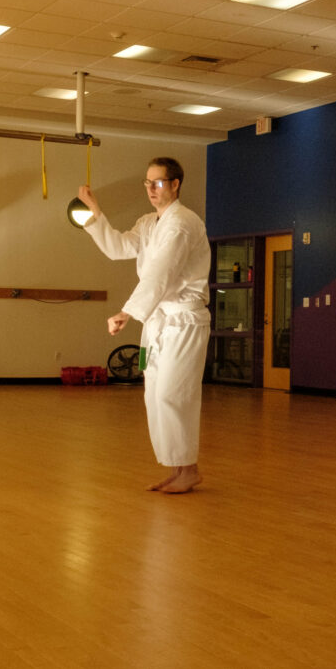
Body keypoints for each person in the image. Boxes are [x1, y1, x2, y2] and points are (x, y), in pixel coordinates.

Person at [78, 157, 211, 494]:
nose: (152, 189)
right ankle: (178, 467)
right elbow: (119, 247)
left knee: (172, 393)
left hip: (183, 320)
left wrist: (128, 311)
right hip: (156, 321)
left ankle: (189, 468)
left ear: (176, 184)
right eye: (147, 183)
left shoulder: (183, 223)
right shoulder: (150, 223)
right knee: (154, 392)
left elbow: (161, 274)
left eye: (159, 182)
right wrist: (96, 213)